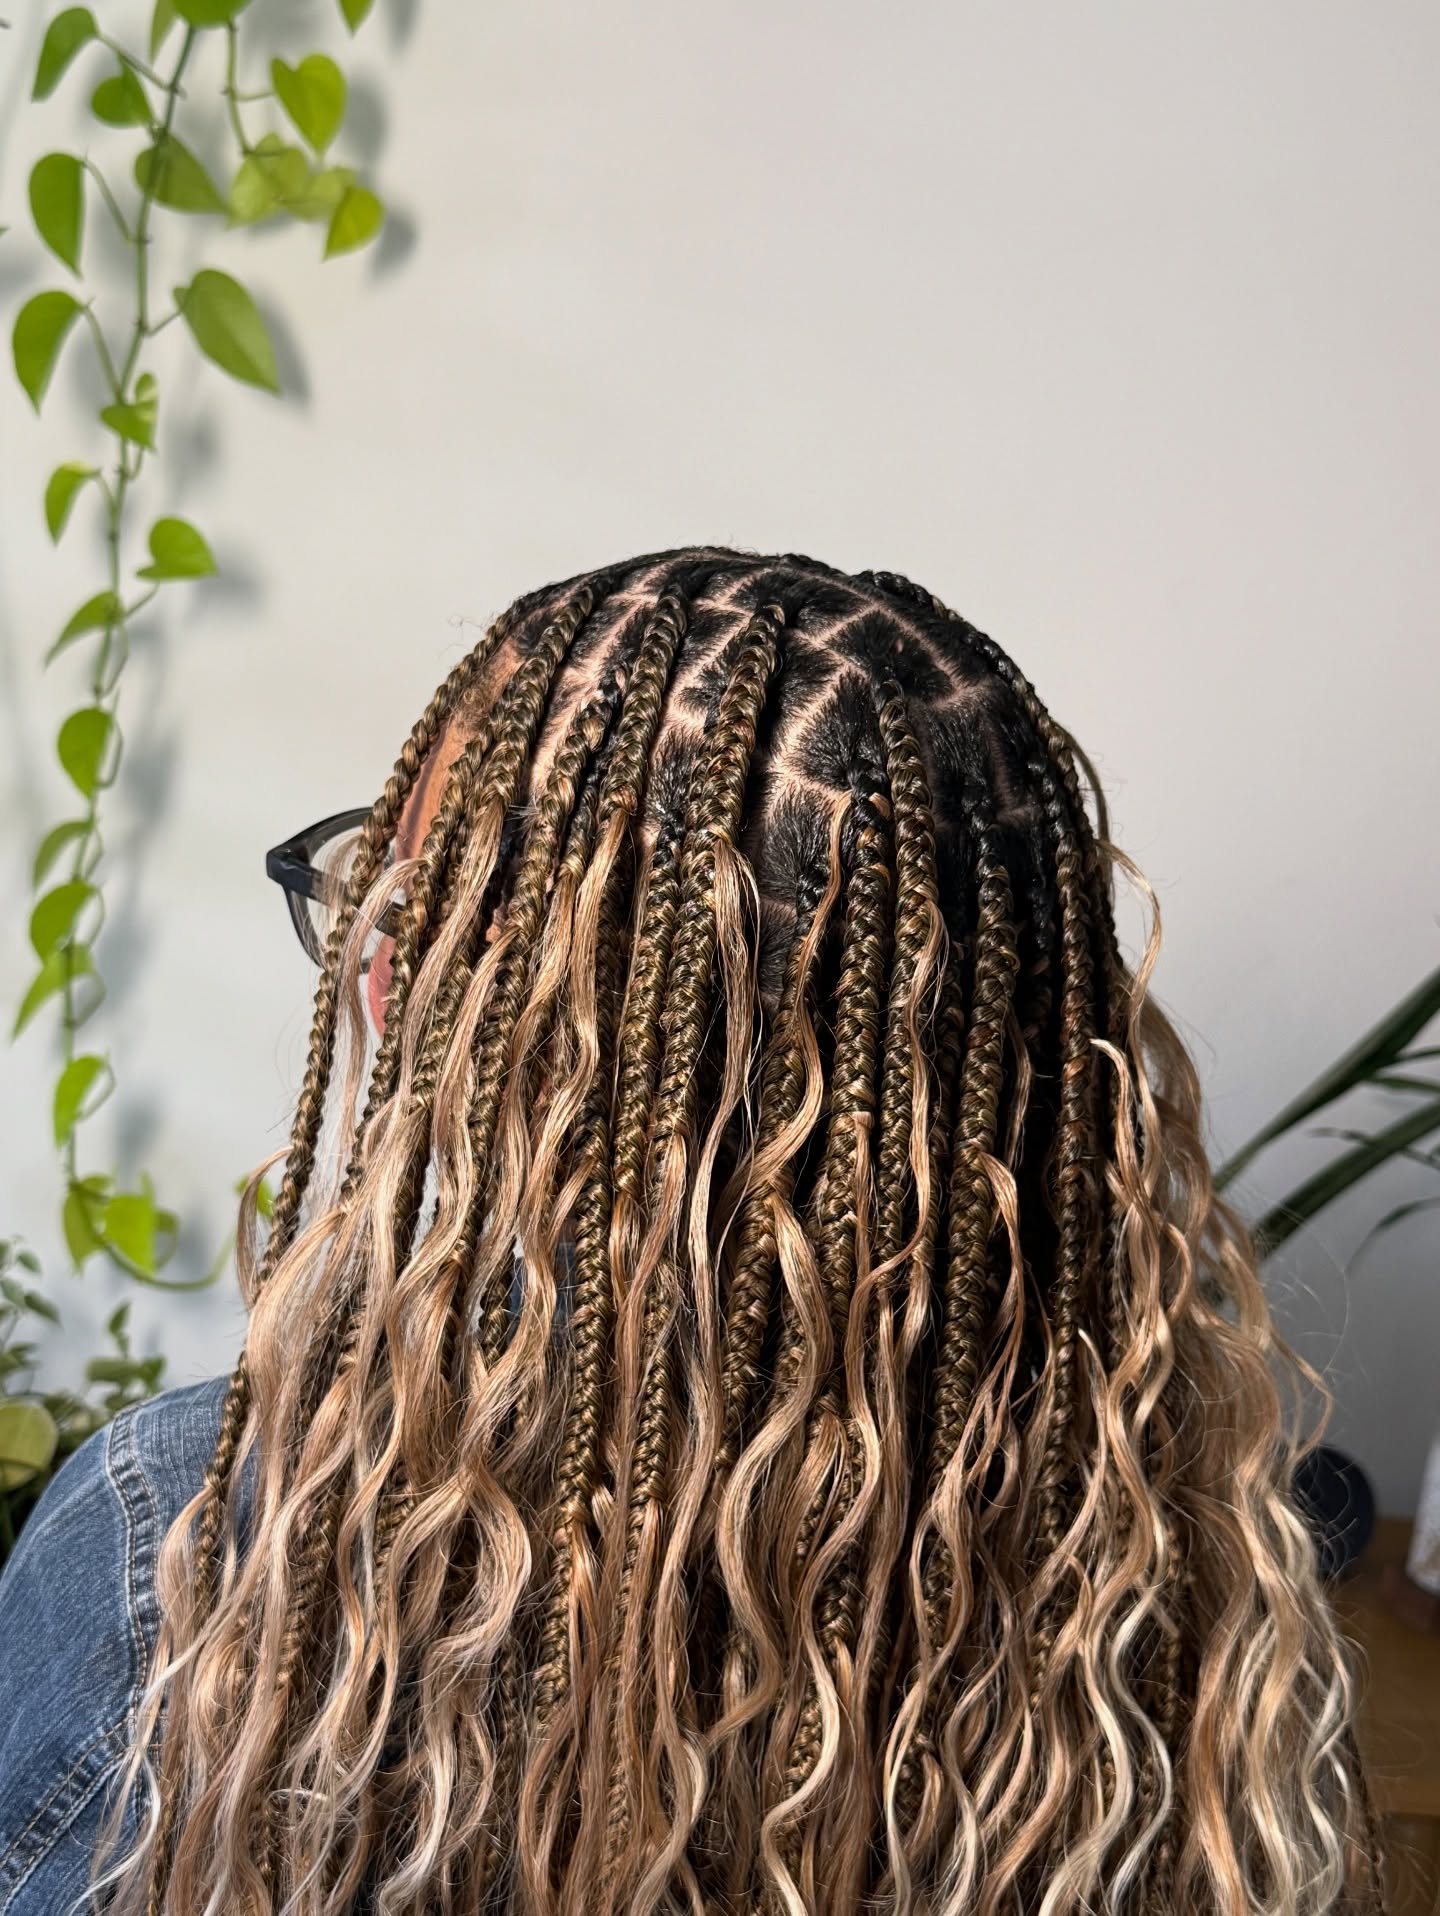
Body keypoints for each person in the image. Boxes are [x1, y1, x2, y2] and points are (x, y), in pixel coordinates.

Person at [0, 547, 1383, 1915]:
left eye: (415, 902)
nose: (370, 954)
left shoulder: (191, 1555)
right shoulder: (1169, 1585)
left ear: (497, 1028)